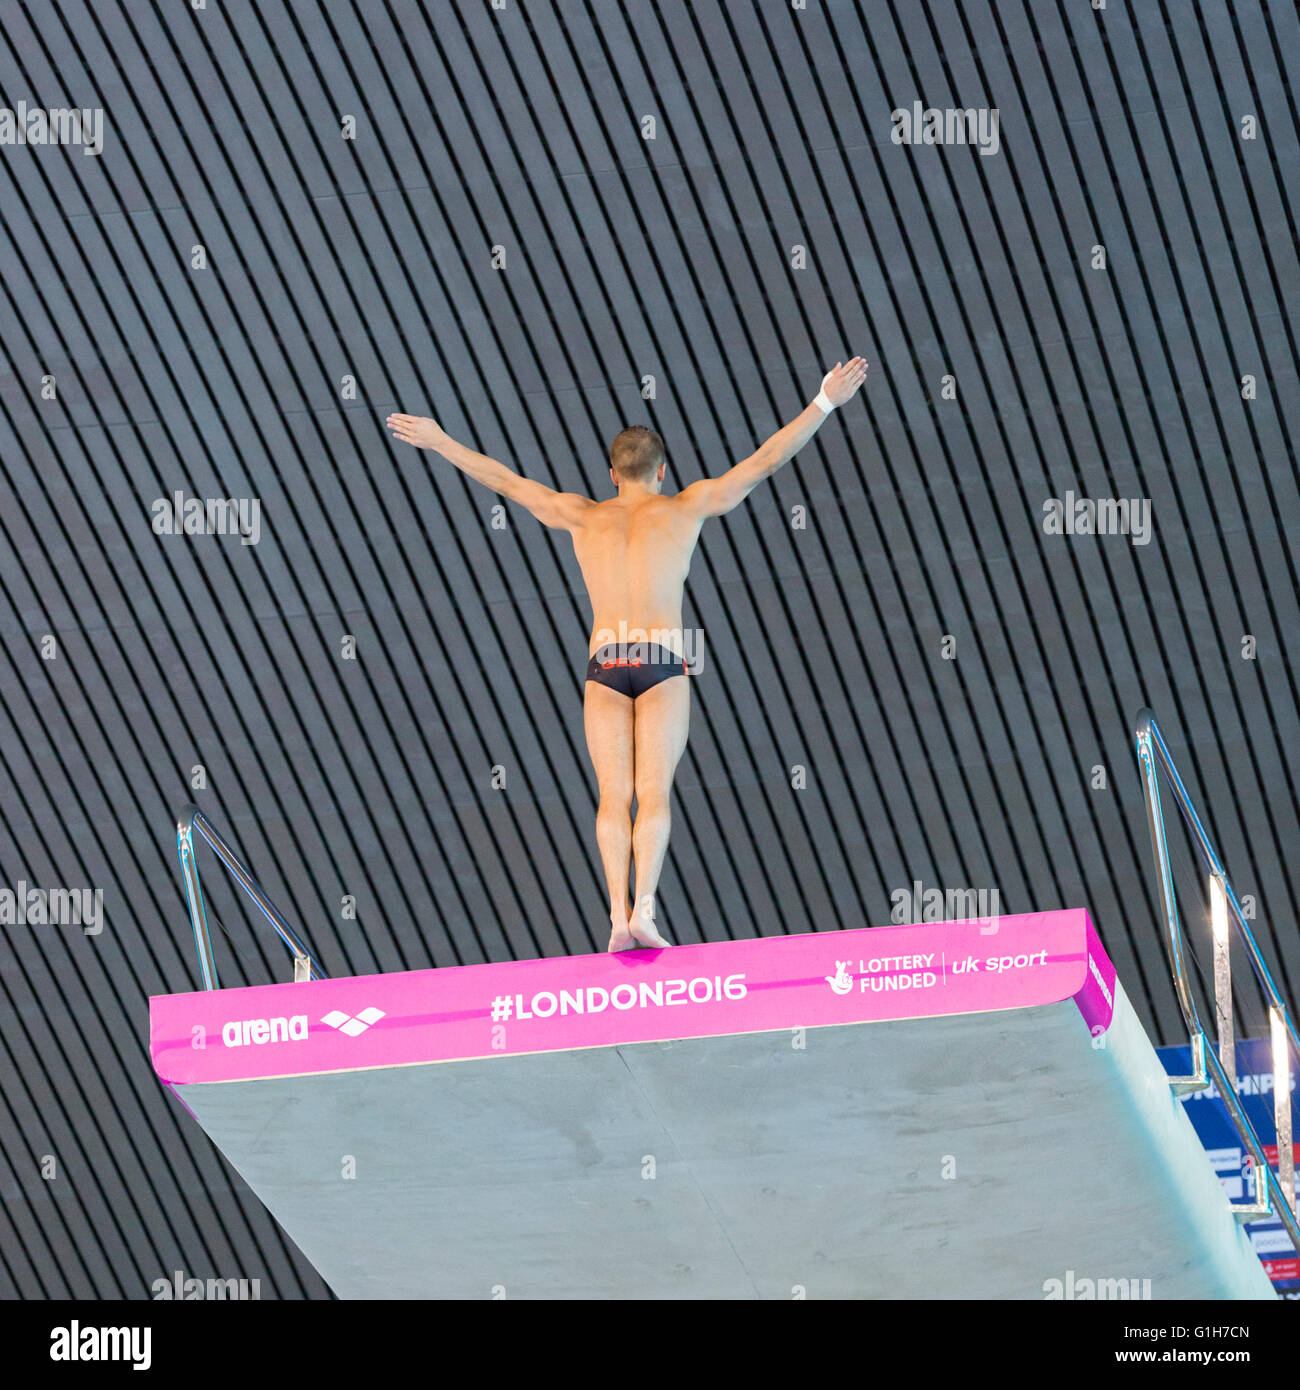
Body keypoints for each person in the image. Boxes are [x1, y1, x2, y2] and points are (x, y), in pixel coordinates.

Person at [388, 355, 868, 952]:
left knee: (614, 793)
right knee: (655, 791)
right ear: (661, 472)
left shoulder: (582, 514)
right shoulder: (685, 506)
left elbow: (506, 481)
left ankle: (616, 915)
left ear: (612, 474)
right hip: (663, 659)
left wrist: (440, 441)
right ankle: (646, 908)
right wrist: (824, 401)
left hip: (605, 663)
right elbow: (765, 461)